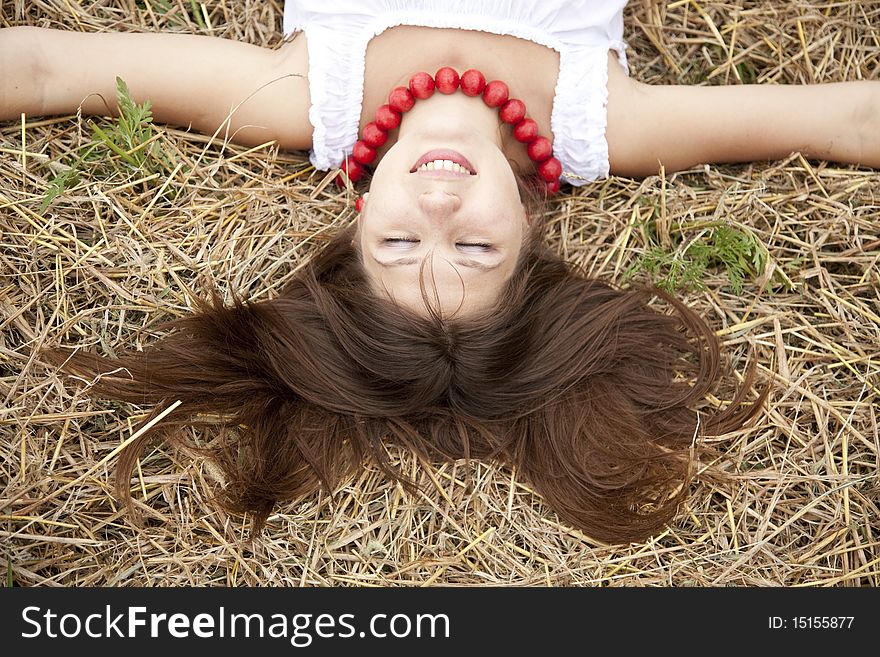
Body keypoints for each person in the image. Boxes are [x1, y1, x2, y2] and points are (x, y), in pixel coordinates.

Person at [2, 1, 876, 544]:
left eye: (399, 248)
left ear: (358, 222)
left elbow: (43, 69)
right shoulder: (602, 121)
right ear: (531, 231)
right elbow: (843, 119)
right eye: (474, 251)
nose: (438, 215)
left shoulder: (305, 96)